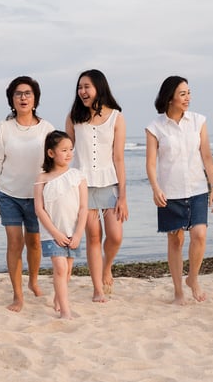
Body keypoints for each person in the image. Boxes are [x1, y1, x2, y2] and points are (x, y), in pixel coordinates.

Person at [145, 76, 213, 305]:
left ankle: (193, 279)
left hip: (197, 188)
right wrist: (155, 188)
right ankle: (178, 291)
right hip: (170, 192)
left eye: (189, 92)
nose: (188, 98)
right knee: (175, 241)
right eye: (183, 94)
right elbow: (150, 163)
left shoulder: (198, 121)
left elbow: (206, 156)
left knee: (199, 235)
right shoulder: (155, 127)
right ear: (170, 98)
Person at [0, 76, 55, 312]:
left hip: (38, 196)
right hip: (9, 194)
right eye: (18, 94)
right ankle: (17, 295)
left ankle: (33, 280)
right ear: (11, 100)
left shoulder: (47, 129)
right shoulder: (3, 128)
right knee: (15, 243)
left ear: (35, 98)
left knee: (34, 243)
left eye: (27, 93)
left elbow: (55, 164)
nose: (23, 97)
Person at [65, 69, 128, 302]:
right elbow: (66, 152)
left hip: (109, 183)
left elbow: (119, 158)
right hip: (83, 185)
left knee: (115, 235)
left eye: (86, 86)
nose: (82, 91)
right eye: (80, 87)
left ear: (99, 88)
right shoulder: (74, 117)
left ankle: (107, 266)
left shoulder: (116, 117)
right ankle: (97, 289)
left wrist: (123, 196)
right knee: (93, 237)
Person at [33, 131, 88, 319]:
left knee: (68, 270)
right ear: (51, 153)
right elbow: (39, 209)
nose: (69, 154)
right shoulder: (42, 178)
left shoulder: (77, 176)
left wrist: (78, 234)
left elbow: (83, 208)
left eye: (70, 149)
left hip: (73, 232)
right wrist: (55, 233)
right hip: (52, 233)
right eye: (63, 150)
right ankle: (65, 311)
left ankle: (59, 298)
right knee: (60, 268)